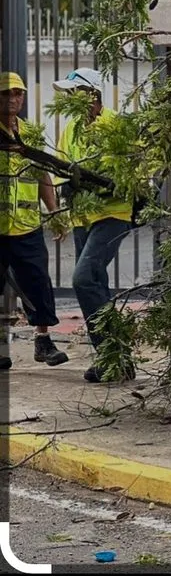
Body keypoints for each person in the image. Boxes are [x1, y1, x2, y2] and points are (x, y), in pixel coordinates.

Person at [52, 67, 134, 383]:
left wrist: (98, 183)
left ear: (93, 94)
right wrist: (67, 186)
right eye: (69, 94)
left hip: (113, 215)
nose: (71, 98)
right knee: (96, 282)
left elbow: (128, 173)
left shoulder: (116, 126)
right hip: (82, 217)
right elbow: (61, 169)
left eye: (76, 92)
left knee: (83, 279)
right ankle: (118, 361)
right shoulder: (70, 129)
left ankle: (111, 356)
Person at [0, 72, 69, 371]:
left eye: (18, 93)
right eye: (6, 93)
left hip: (27, 224)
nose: (13, 99)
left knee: (38, 282)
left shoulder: (32, 134)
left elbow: (43, 176)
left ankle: (43, 341)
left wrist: (54, 213)